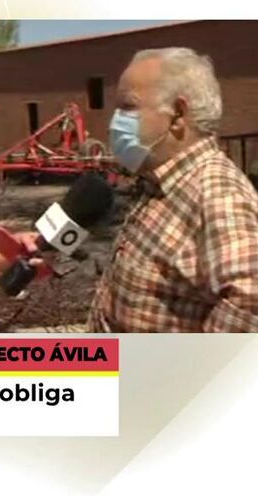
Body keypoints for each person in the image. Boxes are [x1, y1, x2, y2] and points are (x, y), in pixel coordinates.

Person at [90, 47, 258, 332]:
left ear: (178, 114)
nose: (114, 122)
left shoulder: (219, 195)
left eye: (128, 106)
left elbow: (251, 301)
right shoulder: (159, 181)